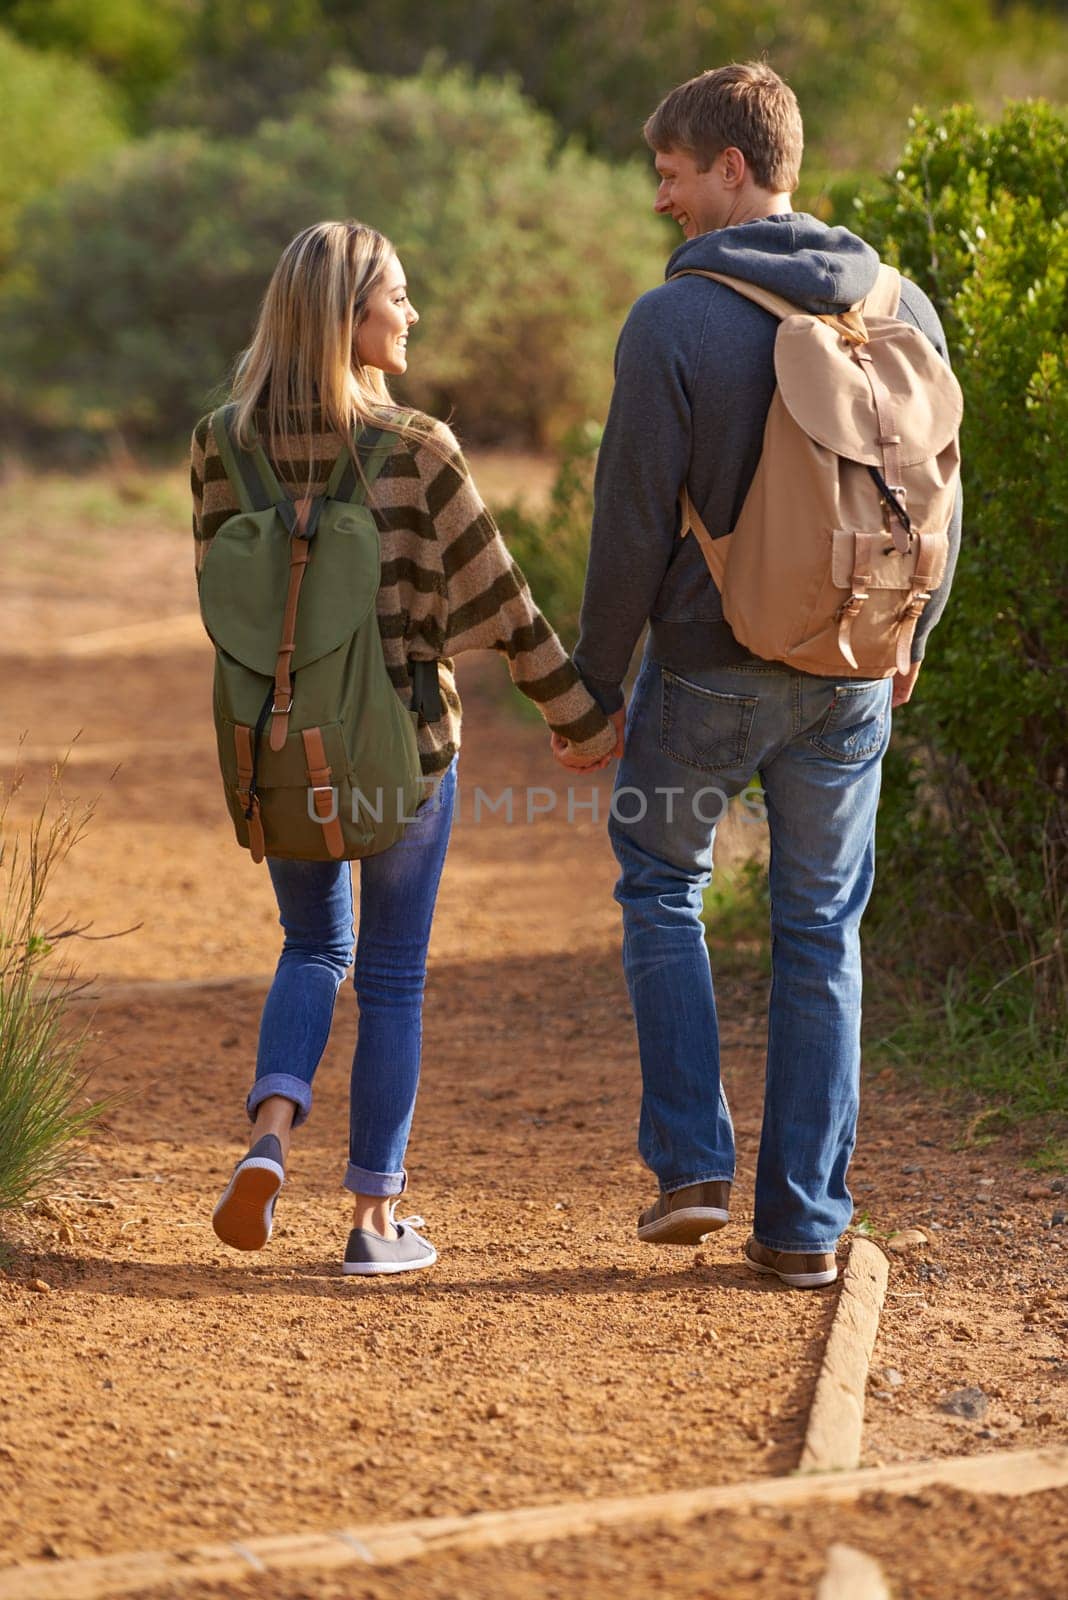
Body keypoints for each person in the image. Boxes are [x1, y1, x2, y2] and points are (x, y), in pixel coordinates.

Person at [554, 63, 961, 1289]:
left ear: (733, 167)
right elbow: (945, 492)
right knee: (820, 932)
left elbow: (628, 525)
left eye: (673, 174)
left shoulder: (672, 322)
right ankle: (802, 1230)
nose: (664, 199)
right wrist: (911, 638)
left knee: (662, 889)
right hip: (850, 676)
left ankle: (690, 1169)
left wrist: (593, 687)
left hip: (708, 674)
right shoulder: (905, 306)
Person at [193, 220, 617, 1276]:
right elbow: (507, 604)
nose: (412, 315)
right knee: (388, 974)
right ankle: (375, 1220)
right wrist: (577, 717)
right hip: (404, 752)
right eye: (398, 297)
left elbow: (233, 601)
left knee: (310, 948)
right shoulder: (417, 447)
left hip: (281, 748)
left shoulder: (219, 445)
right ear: (348, 317)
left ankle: (270, 1137)